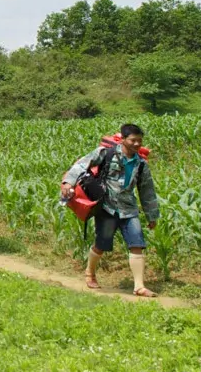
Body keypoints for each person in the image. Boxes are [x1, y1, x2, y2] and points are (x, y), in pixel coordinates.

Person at [61, 123, 161, 298]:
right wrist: (68, 183)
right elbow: (81, 165)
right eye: (133, 140)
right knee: (101, 245)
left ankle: (139, 286)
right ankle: (90, 273)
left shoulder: (141, 164)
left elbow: (147, 191)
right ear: (123, 139)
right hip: (107, 208)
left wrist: (151, 215)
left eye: (140, 141)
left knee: (137, 245)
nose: (137, 144)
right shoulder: (106, 153)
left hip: (129, 209)